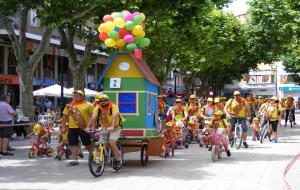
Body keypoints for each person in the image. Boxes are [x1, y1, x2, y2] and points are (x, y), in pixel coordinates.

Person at [87, 94, 123, 168]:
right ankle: (102, 160)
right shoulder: (98, 108)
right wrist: (88, 127)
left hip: (115, 127)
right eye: (101, 101)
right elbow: (93, 117)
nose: (103, 102)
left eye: (105, 100)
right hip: (104, 128)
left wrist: (112, 126)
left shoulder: (113, 106)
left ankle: (117, 160)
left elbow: (114, 116)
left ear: (108, 101)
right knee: (102, 143)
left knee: (111, 142)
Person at [61, 90, 94, 166]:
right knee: (73, 143)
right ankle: (75, 160)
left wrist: (92, 126)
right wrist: (63, 127)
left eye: (78, 95)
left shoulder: (89, 105)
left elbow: (93, 116)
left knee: (87, 143)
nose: (76, 96)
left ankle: (93, 155)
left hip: (84, 127)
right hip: (72, 128)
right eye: (74, 95)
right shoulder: (69, 105)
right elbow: (64, 117)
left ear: (82, 96)